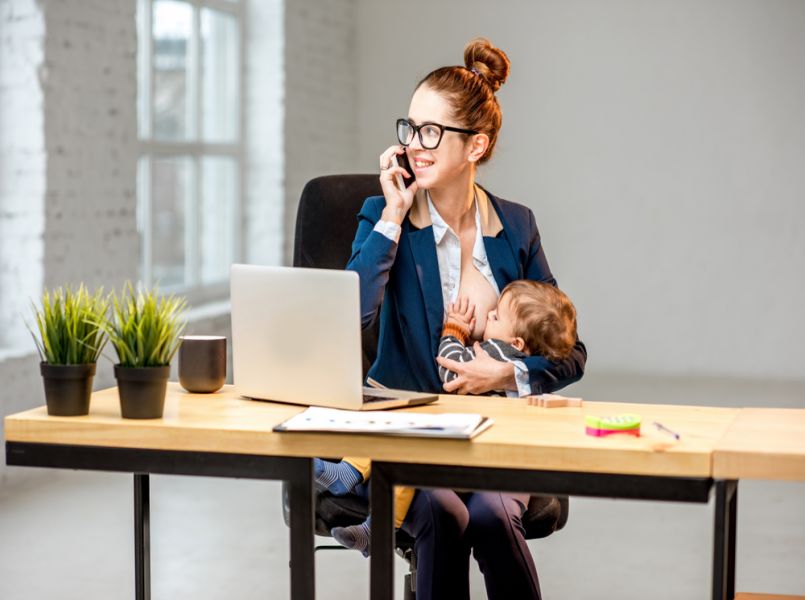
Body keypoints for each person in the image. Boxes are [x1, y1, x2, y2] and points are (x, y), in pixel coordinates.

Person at [346, 38, 587, 599]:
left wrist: (504, 375)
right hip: (410, 434)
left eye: (432, 132)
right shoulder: (384, 217)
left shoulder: (516, 227)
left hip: (495, 435)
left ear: (475, 145)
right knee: (442, 512)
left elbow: (569, 352)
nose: (414, 145)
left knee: (491, 514)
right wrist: (392, 217)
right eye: (410, 128)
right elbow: (350, 313)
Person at [316, 280, 578, 557]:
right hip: (479, 450)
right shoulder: (520, 360)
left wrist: (453, 331)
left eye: (496, 316)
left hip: (470, 456)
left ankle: (357, 489)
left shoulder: (497, 353)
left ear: (516, 342)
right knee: (403, 448)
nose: (489, 314)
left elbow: (451, 370)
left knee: (403, 452)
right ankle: (360, 499)